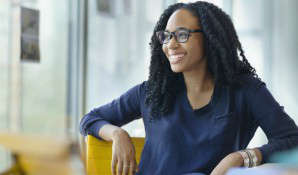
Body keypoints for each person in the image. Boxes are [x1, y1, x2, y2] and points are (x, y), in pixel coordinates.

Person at [80, 1, 298, 175]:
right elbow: (90, 120)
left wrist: (240, 157)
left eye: (182, 35)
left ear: (210, 39)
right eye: (165, 36)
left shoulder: (245, 91)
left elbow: (291, 140)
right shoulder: (151, 92)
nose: (170, 45)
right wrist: (118, 134)